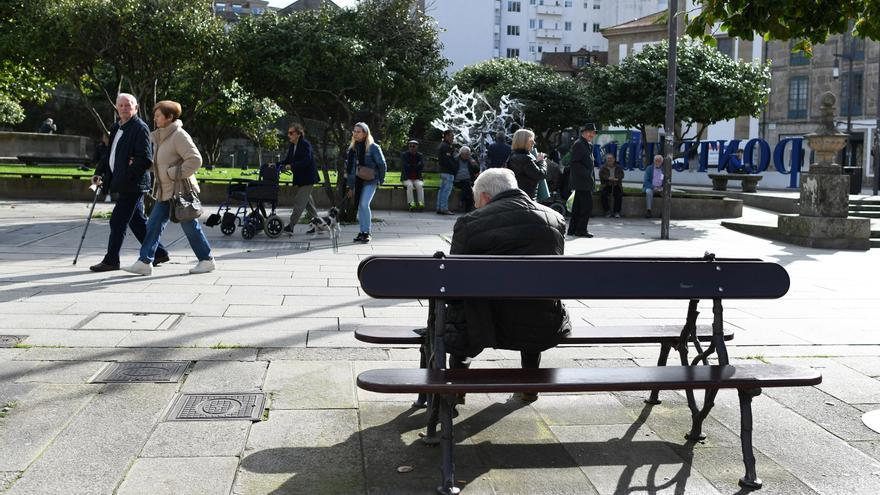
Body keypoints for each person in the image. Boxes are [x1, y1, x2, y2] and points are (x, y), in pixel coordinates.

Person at [445, 168, 571, 403]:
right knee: (533, 302)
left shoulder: (469, 223)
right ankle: (530, 384)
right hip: (540, 323)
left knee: (460, 307)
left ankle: (457, 386)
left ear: (484, 197)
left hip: (485, 323)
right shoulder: (555, 219)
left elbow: (454, 284)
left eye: (476, 201)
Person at [121, 101, 215, 275]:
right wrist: (143, 165)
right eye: (155, 115)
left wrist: (173, 173)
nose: (155, 118)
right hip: (165, 192)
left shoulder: (178, 135)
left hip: (180, 192)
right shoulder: (162, 137)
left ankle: (206, 260)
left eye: (158, 115)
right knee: (153, 226)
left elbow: (195, 160)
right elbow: (162, 163)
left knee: (190, 227)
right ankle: (144, 262)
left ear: (169, 117)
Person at [89, 93, 169, 272]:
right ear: (117, 107)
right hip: (122, 182)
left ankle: (111, 260)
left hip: (133, 184)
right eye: (121, 105)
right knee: (136, 221)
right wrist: (98, 172)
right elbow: (109, 154)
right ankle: (159, 253)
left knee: (117, 221)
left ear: (136, 107)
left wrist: (126, 175)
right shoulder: (116, 126)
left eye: (128, 105)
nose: (125, 108)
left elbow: (145, 159)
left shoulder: (140, 128)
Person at [345, 122, 386, 243]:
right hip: (358, 181)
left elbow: (382, 164)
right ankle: (362, 232)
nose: (355, 134)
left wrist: (381, 180)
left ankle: (367, 232)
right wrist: (350, 186)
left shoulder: (373, 147)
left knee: (364, 204)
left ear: (365, 133)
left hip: (371, 180)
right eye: (354, 131)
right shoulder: (352, 149)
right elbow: (351, 169)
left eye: (358, 131)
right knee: (360, 206)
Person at [278, 123, 320, 233]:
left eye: (291, 133)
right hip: (301, 179)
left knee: (299, 202)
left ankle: (291, 226)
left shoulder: (305, 145)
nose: (289, 135)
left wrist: (292, 166)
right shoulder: (293, 146)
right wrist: (276, 164)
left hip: (308, 178)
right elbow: (288, 159)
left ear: (298, 134)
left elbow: (306, 160)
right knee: (308, 205)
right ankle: (319, 226)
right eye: (288, 133)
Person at [567, 123, 597, 237]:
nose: (592, 134)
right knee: (586, 207)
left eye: (593, 132)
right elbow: (575, 163)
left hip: (583, 181)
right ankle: (581, 230)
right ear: (583, 132)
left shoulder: (586, 144)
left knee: (578, 207)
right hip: (582, 181)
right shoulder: (579, 144)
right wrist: (587, 175)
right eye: (590, 132)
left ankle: (573, 229)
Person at [505, 129, 547, 200]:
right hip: (527, 198)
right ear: (524, 142)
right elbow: (540, 174)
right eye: (531, 140)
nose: (534, 142)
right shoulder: (526, 158)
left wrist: (536, 162)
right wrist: (541, 161)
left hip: (517, 197)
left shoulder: (512, 155)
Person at [400, 139, 425, 211]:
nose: (412, 148)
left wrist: (411, 166)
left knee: (420, 185)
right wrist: (416, 166)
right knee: (410, 185)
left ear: (417, 147)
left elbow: (421, 166)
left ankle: (421, 204)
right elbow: (405, 167)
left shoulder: (420, 155)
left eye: (413, 146)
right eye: (410, 146)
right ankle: (411, 204)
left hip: (417, 178)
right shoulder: (404, 155)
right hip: (406, 178)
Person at [436, 129, 456, 215]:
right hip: (448, 172)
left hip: (443, 171)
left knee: (442, 190)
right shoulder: (446, 146)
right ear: (447, 136)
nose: (453, 138)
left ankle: (439, 207)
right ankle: (444, 208)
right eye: (452, 136)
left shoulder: (442, 145)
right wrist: (454, 168)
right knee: (446, 191)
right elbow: (448, 160)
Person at [454, 146, 479, 212]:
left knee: (467, 186)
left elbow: (477, 170)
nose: (467, 156)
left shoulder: (471, 160)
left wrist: (474, 164)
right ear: (461, 154)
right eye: (465, 155)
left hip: (467, 181)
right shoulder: (456, 159)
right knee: (468, 187)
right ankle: (468, 209)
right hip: (457, 181)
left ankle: (462, 200)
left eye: (468, 154)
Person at [599, 152, 624, 218]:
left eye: (610, 158)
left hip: (616, 185)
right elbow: (602, 175)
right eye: (608, 159)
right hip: (606, 185)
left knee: (619, 195)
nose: (609, 160)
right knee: (603, 194)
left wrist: (616, 178)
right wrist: (608, 178)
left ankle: (617, 212)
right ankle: (607, 211)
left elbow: (621, 175)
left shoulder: (618, 167)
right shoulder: (603, 168)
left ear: (614, 159)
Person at [643, 154, 664, 218]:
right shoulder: (649, 168)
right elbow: (646, 181)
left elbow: (667, 181)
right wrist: (653, 187)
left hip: (661, 188)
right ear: (654, 161)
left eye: (659, 160)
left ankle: (663, 212)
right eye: (656, 160)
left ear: (662, 162)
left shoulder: (664, 169)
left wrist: (662, 188)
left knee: (667, 194)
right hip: (651, 187)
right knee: (648, 192)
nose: (657, 162)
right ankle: (649, 211)